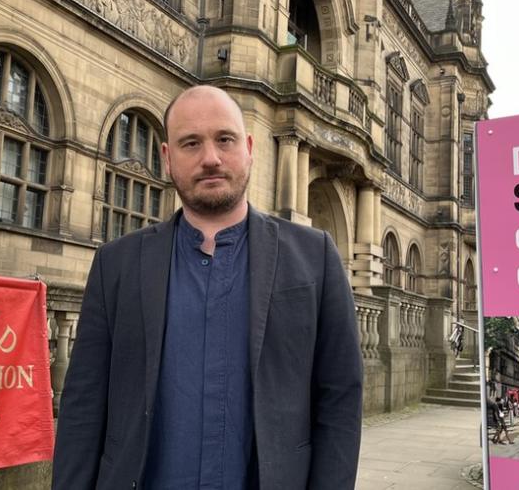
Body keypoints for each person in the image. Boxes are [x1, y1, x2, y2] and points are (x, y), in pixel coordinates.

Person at [52, 86, 364, 489]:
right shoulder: (117, 264)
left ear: (249, 147)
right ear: (167, 157)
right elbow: (83, 406)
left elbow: (339, 399)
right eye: (191, 143)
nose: (210, 158)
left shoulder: (315, 255)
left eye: (225, 139)